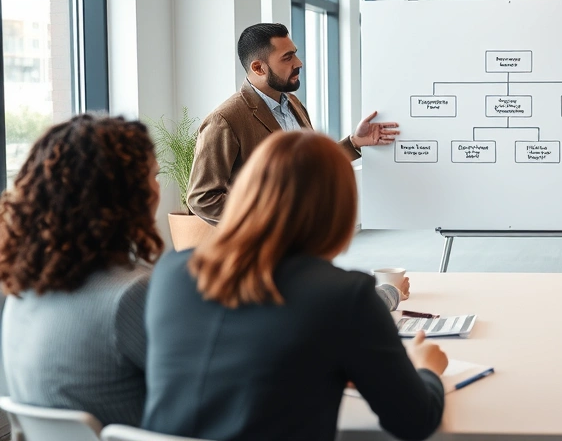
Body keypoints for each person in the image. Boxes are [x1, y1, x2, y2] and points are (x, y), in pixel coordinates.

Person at [143, 131, 446, 441]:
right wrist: (427, 368)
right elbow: (414, 422)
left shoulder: (172, 272)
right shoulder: (345, 295)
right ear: (337, 208)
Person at [186, 22, 409, 305]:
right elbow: (202, 197)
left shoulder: (292, 104)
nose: (299, 63)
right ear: (258, 67)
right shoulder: (226, 119)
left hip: (306, 249)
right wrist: (265, 225)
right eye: (287, 57)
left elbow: (309, 166)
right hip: (263, 261)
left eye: (295, 53)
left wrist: (354, 143)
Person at [0, 115, 162, 426]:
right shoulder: (132, 294)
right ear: (125, 194)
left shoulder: (21, 290)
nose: (158, 189)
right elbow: (204, 393)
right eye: (153, 176)